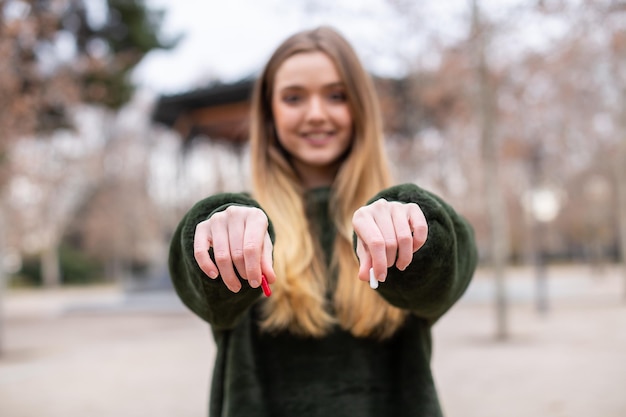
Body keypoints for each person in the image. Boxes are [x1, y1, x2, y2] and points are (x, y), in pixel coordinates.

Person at [168, 26, 477, 417]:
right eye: (294, 97)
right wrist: (213, 230)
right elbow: (197, 282)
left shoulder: (404, 220)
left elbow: (450, 266)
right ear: (270, 112)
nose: (316, 114)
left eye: (336, 95)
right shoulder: (246, 227)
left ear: (361, 107)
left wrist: (415, 224)